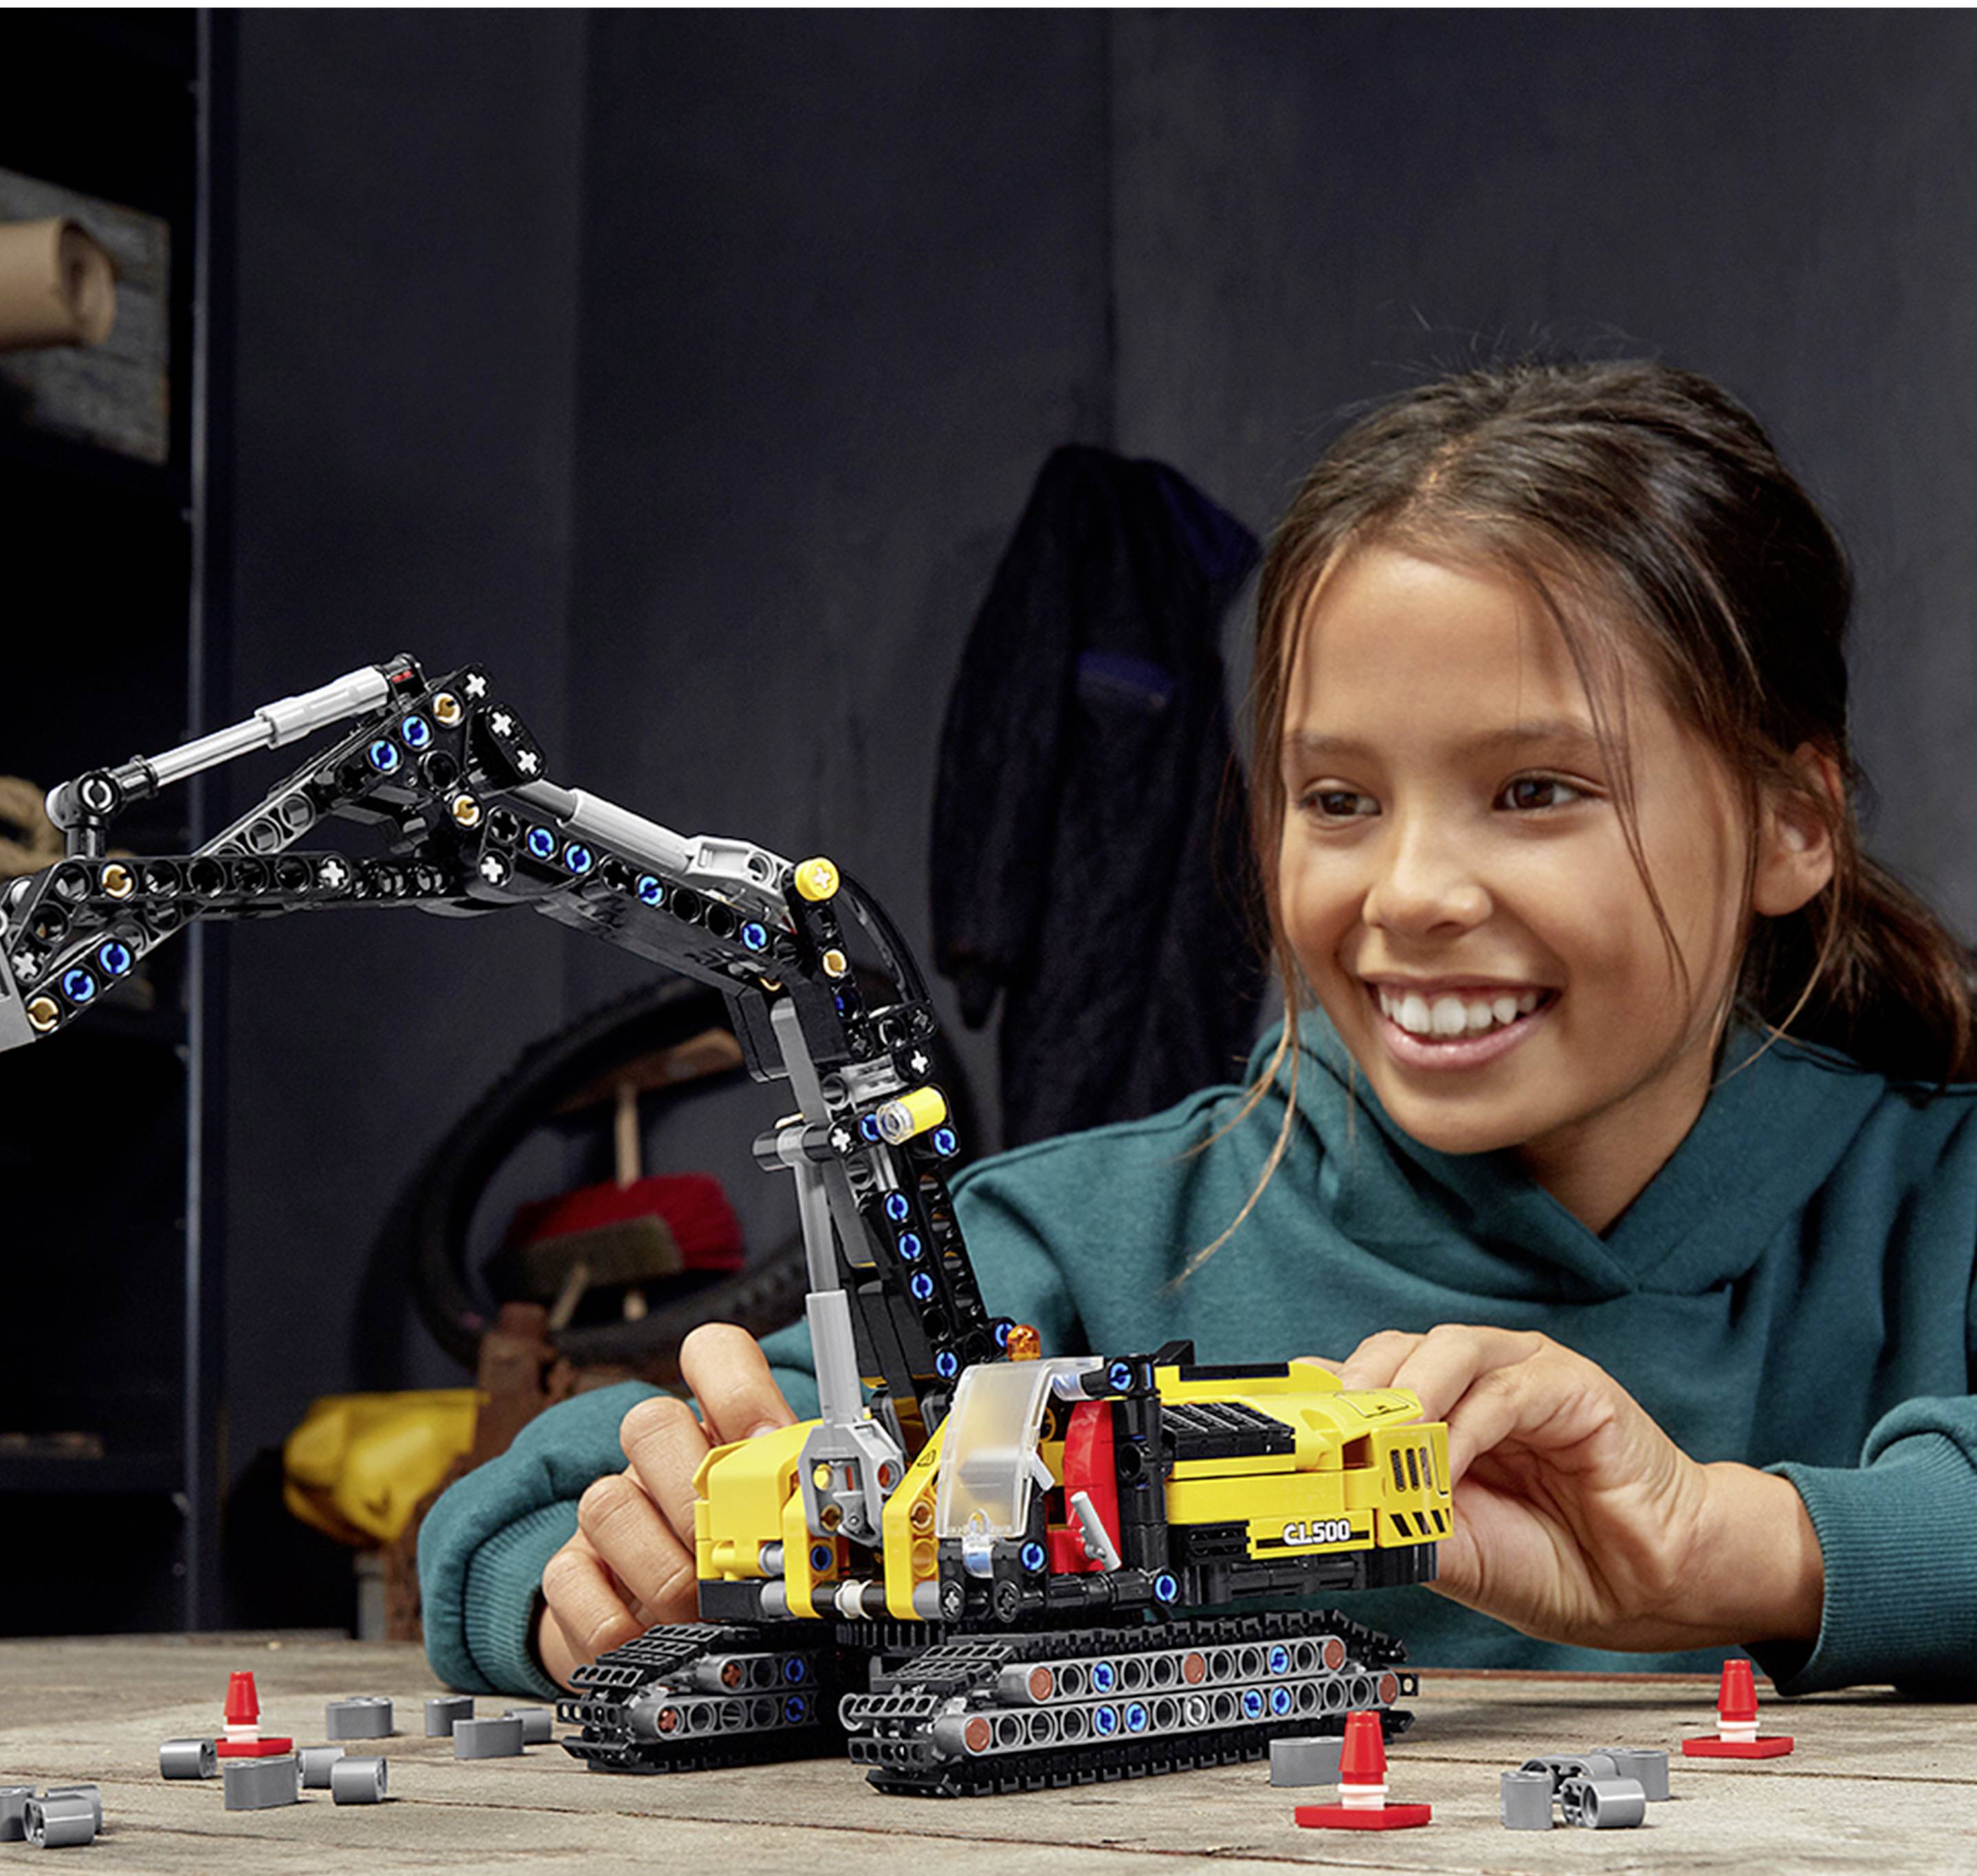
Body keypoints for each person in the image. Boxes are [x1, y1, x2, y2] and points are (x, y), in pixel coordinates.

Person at [419, 357, 1977, 1704]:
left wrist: (1734, 1545)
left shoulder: (1941, 1212)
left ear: (1789, 823)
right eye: (1337, 800)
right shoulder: (1068, 1251)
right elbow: (508, 1517)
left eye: (1535, 791)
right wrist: (599, 1576)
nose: (1411, 891)